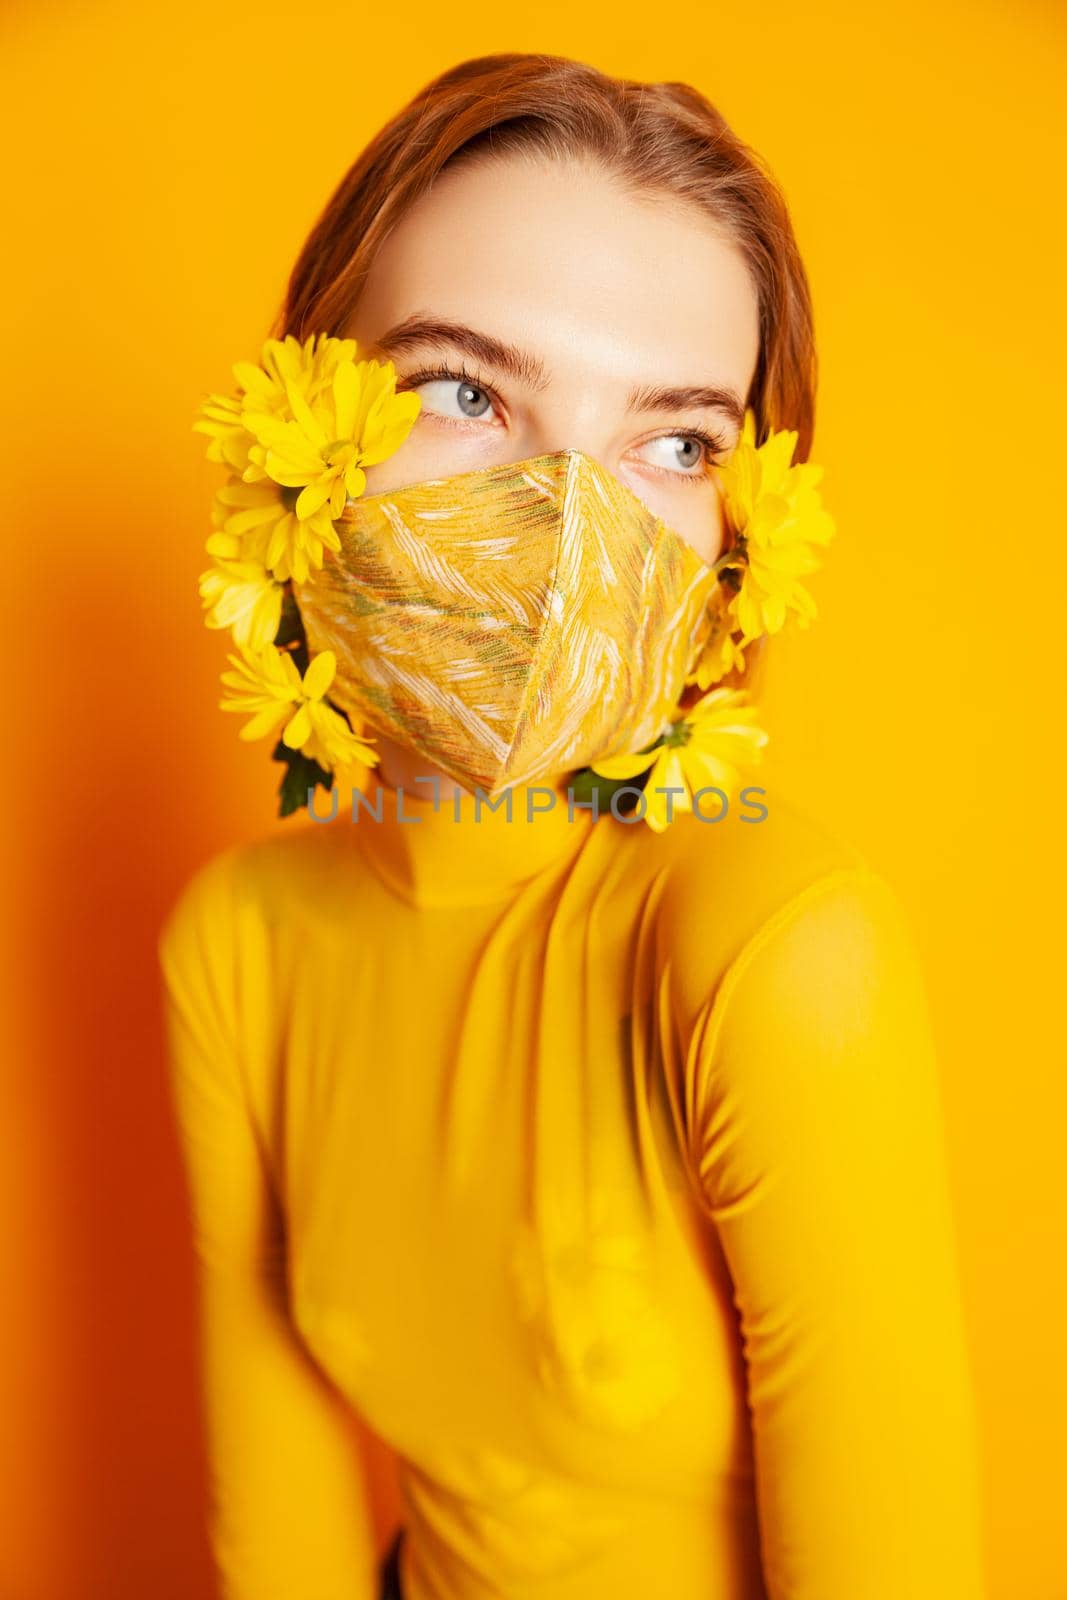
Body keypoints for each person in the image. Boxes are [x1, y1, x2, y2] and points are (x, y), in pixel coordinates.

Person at [158, 52, 987, 1600]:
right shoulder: (239, 943)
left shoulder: (776, 949)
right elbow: (278, 1530)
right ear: (299, 426)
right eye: (465, 391)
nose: (568, 522)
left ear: (744, 533)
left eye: (674, 442)